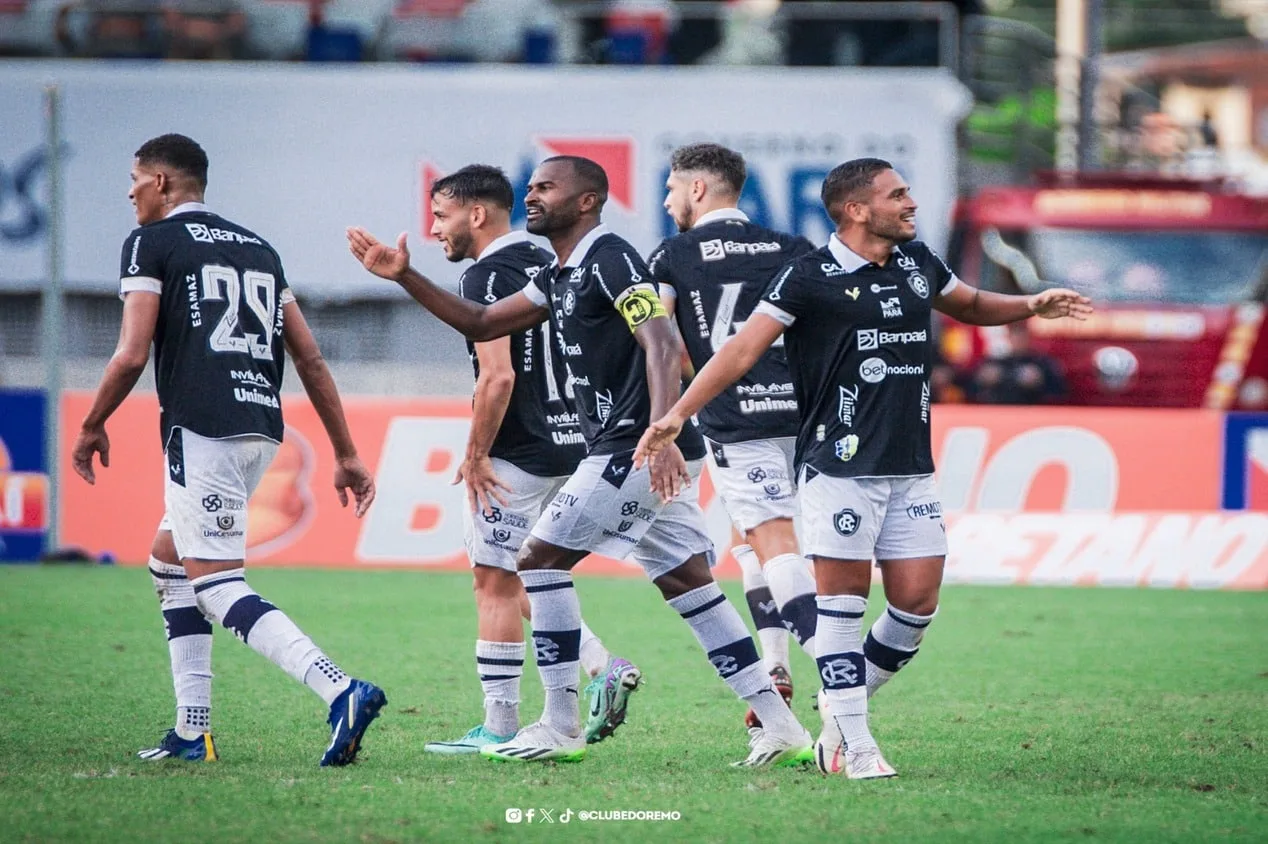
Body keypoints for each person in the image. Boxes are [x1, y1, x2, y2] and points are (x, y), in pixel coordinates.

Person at [634, 157, 1092, 779]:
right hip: (837, 465)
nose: (910, 203)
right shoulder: (808, 274)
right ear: (857, 209)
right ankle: (853, 743)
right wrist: (675, 414)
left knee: (915, 606)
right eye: (897, 195)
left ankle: (838, 700)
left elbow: (973, 304)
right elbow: (740, 349)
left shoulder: (918, 262)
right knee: (841, 608)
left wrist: (1032, 303)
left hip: (909, 467)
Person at [348, 155, 813, 767]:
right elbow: (482, 319)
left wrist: (660, 430)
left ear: (587, 200)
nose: (532, 196)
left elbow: (664, 341)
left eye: (546, 188)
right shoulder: (560, 274)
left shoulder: (610, 256)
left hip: (636, 446)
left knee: (538, 559)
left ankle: (560, 724)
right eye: (531, 187)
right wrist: (405, 276)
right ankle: (783, 728)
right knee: (690, 585)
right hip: (639, 448)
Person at [72, 133, 383, 766]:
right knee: (169, 563)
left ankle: (340, 689)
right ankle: (193, 731)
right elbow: (310, 357)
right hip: (262, 427)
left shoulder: (151, 242)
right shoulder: (259, 248)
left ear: (162, 182)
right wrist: (347, 452)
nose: (128, 190)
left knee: (215, 585)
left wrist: (91, 421)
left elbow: (132, 351)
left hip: (202, 428)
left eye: (134, 177)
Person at [413, 164, 642, 754]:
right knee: (528, 577)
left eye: (441, 215)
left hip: (517, 451)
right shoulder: (552, 264)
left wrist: (476, 453)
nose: (434, 228)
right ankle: (599, 664)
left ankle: (500, 724)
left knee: (493, 581)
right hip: (578, 443)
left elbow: (498, 376)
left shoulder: (485, 276)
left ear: (477, 214)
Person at [647, 143, 820, 727]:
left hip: (733, 416)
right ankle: (776, 662)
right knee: (752, 542)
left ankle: (843, 671)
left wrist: (667, 419)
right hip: (804, 414)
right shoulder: (794, 250)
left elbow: (664, 347)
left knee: (773, 543)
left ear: (697, 189)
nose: (667, 200)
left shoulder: (672, 255)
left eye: (671, 189)